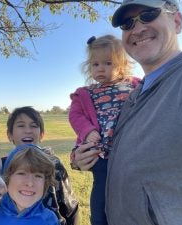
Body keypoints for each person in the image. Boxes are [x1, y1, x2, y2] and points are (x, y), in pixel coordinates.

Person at [105, 1, 182, 225]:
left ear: (177, 22)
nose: (137, 28)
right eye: (127, 23)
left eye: (149, 15)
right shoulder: (134, 94)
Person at [68, 35, 140, 225]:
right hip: (101, 156)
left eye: (108, 63)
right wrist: (88, 131)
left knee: (131, 199)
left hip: (130, 154)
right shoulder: (85, 93)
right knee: (100, 198)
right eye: (95, 64)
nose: (100, 68)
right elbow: (75, 115)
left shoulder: (134, 85)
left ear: (122, 64)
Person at [6, 106, 79, 225]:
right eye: (21, 125)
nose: (28, 130)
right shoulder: (1, 165)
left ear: (41, 135)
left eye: (34, 126)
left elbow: (70, 208)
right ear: (9, 134)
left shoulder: (54, 164)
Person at [0, 144, 60, 225]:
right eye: (21, 173)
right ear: (7, 179)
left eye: (38, 176)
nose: (30, 183)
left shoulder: (49, 220)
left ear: (45, 183)